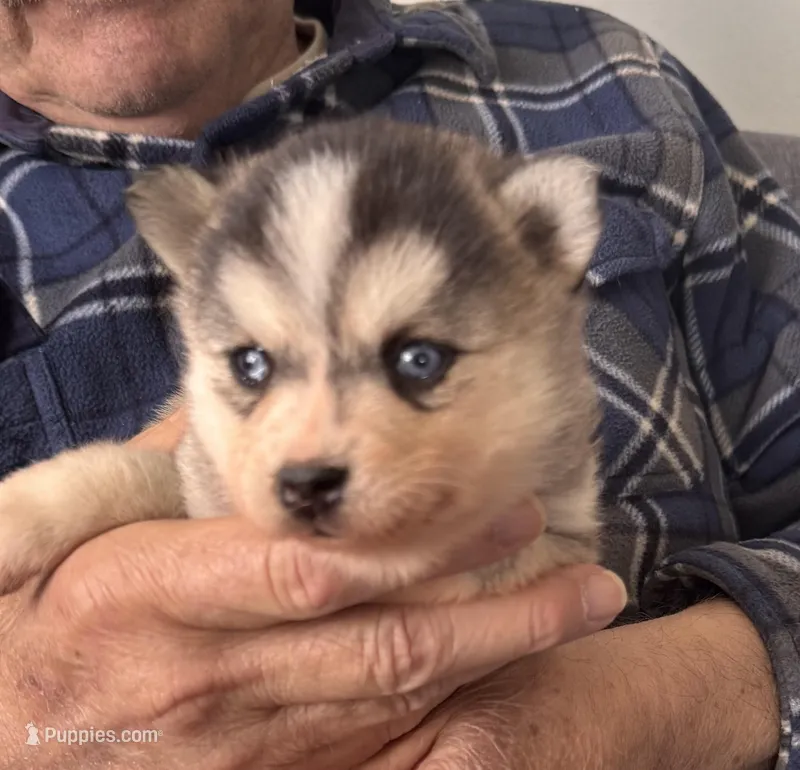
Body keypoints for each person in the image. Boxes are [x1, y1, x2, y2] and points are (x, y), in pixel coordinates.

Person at [0, 0, 796, 768]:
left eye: (417, 359)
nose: (309, 450)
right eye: (253, 365)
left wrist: (689, 697)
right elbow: (168, 475)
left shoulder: (610, 75)